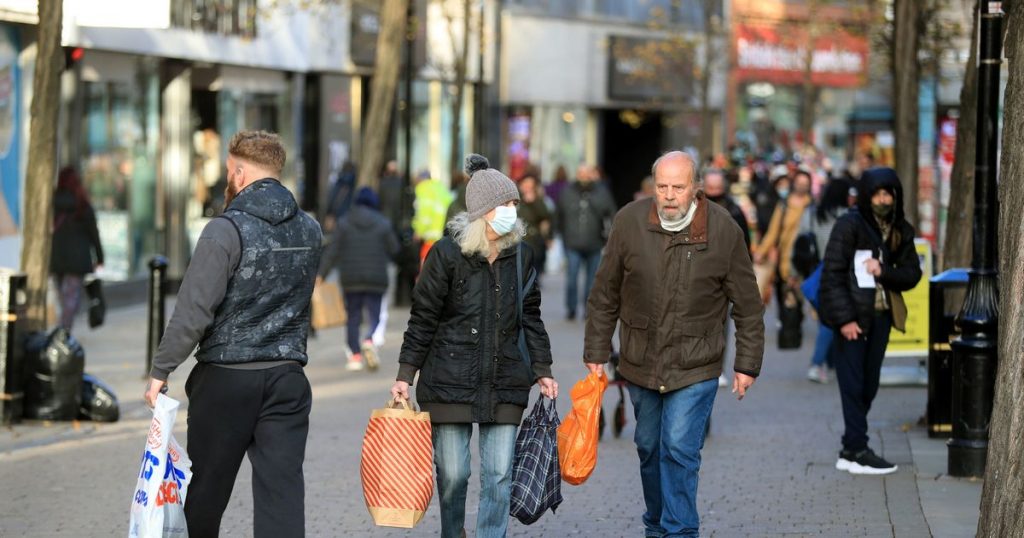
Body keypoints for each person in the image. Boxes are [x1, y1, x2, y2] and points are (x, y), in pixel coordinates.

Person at [143, 130, 322, 537]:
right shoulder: (309, 230)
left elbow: (194, 309)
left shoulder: (225, 229)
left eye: (228, 171)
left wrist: (161, 370)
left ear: (239, 174)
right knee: (283, 495)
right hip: (287, 379)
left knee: (206, 491)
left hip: (226, 378)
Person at [584, 151, 764, 537]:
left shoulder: (723, 229)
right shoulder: (629, 222)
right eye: (661, 186)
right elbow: (604, 294)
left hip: (696, 361)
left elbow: (748, 305)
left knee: (679, 448)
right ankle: (656, 525)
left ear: (696, 189)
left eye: (677, 187)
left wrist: (746, 363)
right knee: (649, 446)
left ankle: (680, 531)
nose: (668, 195)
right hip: (640, 358)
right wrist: (597, 351)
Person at [391, 154, 557, 538]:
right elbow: (423, 319)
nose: (513, 211)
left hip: (505, 378)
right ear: (482, 210)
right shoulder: (446, 255)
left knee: (498, 475)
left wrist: (543, 370)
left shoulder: (522, 255)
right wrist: (404, 374)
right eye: (506, 204)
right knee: (454, 475)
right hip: (449, 378)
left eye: (515, 203)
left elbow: (530, 317)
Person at [820, 167, 921, 475]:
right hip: (854, 318)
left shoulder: (899, 229)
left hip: (881, 317)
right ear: (866, 195)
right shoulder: (849, 225)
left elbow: (912, 273)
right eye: (877, 193)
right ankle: (856, 448)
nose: (883, 199)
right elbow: (833, 275)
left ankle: (851, 447)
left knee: (869, 384)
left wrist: (884, 270)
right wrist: (846, 319)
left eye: (888, 194)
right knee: (852, 384)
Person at [317, 187, 399, 371]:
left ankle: (354, 355)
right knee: (374, 314)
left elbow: (333, 251)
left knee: (353, 316)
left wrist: (321, 274)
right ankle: (369, 339)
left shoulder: (344, 223)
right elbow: (394, 249)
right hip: (376, 278)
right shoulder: (383, 223)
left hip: (351, 278)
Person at [753, 169, 813, 349]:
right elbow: (773, 231)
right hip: (786, 258)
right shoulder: (784, 205)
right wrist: (761, 251)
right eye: (800, 182)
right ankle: (789, 323)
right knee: (787, 292)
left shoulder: (812, 205)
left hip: (807, 258)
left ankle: (796, 318)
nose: (802, 186)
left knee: (801, 294)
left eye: (806, 183)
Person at [803, 177, 852, 383]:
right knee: (831, 321)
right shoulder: (848, 217)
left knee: (828, 317)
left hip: (816, 272)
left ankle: (831, 364)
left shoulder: (813, 215)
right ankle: (817, 363)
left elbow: (801, 241)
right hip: (839, 273)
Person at [555, 164, 617, 320]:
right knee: (572, 277)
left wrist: (610, 235)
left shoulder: (601, 192)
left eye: (587, 174)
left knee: (592, 280)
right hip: (572, 242)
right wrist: (556, 233)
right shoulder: (567, 192)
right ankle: (571, 308)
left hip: (595, 242)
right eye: (580, 173)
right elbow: (558, 214)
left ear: (592, 175)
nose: (583, 177)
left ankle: (588, 309)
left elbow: (611, 213)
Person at [51, 167, 104, 332]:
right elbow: (93, 234)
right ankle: (64, 332)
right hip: (77, 260)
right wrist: (100, 257)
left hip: (56, 259)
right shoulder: (82, 205)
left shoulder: (52, 204)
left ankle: (61, 331)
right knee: (71, 299)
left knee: (62, 298)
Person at [412, 169, 453, 265]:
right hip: (444, 237)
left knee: (427, 269)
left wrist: (418, 231)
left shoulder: (423, 189)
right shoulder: (441, 188)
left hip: (430, 238)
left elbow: (424, 215)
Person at [516, 173, 553, 283]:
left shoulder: (539, 200)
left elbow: (546, 216)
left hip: (534, 242)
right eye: (525, 184)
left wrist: (534, 202)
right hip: (518, 240)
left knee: (534, 274)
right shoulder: (514, 200)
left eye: (530, 185)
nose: (527, 188)